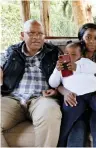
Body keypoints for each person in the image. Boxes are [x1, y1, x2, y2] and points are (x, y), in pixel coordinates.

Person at [49, 42, 96, 147]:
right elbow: (53, 83)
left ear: (81, 55)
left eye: (73, 54)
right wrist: (57, 71)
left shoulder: (85, 62)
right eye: (66, 53)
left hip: (94, 94)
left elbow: (95, 68)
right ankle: (60, 143)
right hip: (75, 97)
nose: (69, 56)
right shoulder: (61, 67)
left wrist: (76, 67)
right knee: (67, 117)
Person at [0, 19, 62, 147]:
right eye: (31, 33)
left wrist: (56, 90)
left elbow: (67, 76)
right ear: (22, 35)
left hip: (41, 98)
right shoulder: (11, 51)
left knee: (51, 112)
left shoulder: (54, 52)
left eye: (40, 34)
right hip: (12, 98)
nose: (36, 37)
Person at [57, 23, 96, 147]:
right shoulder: (68, 58)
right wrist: (65, 92)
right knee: (76, 135)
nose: (92, 41)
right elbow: (58, 83)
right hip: (76, 103)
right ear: (81, 38)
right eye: (88, 37)